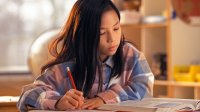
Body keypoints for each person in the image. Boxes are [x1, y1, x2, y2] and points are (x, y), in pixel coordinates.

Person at [17, 0, 154, 111]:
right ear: (84, 34)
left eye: (116, 28)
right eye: (101, 33)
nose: (112, 38)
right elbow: (28, 94)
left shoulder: (130, 54)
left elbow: (144, 86)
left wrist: (103, 98)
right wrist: (59, 102)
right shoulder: (68, 65)